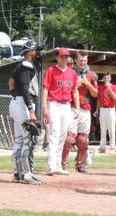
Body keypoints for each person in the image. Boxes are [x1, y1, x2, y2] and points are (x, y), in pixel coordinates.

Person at [42, 48, 80, 176]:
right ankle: (51, 166)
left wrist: (78, 108)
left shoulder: (72, 73)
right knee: (54, 134)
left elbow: (75, 91)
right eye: (62, 56)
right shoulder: (51, 70)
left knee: (63, 135)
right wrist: (44, 108)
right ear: (57, 57)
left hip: (66, 106)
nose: (64, 59)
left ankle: (58, 165)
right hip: (53, 104)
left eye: (66, 57)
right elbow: (45, 89)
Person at [8, 40, 41, 184]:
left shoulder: (19, 66)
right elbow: (25, 89)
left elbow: (11, 82)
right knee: (28, 139)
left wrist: (15, 96)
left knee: (19, 140)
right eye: (34, 50)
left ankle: (17, 174)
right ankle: (26, 175)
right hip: (23, 105)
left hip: (16, 103)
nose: (36, 53)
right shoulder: (27, 65)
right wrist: (30, 110)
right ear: (28, 52)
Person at [61, 51, 98, 173]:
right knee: (69, 138)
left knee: (83, 139)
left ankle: (80, 165)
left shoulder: (91, 75)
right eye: (81, 60)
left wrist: (88, 84)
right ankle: (62, 164)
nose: (83, 63)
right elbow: (65, 88)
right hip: (72, 107)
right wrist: (75, 85)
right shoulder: (70, 72)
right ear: (76, 61)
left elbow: (96, 94)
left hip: (86, 108)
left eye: (85, 60)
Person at [94, 73, 116, 153]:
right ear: (103, 79)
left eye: (108, 78)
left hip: (111, 109)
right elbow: (98, 99)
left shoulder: (114, 87)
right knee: (103, 129)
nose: (106, 80)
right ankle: (102, 147)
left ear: (110, 79)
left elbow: (115, 97)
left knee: (111, 129)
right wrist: (97, 110)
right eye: (105, 78)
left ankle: (112, 147)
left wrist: (109, 87)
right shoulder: (100, 87)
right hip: (102, 109)